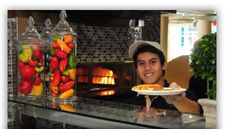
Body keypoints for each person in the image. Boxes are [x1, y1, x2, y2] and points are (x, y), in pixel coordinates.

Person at [127, 40, 202, 115]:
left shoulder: (177, 92)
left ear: (164, 65)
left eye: (153, 62)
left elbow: (198, 112)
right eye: (141, 63)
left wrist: (178, 100)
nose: (147, 68)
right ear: (136, 69)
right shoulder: (130, 97)